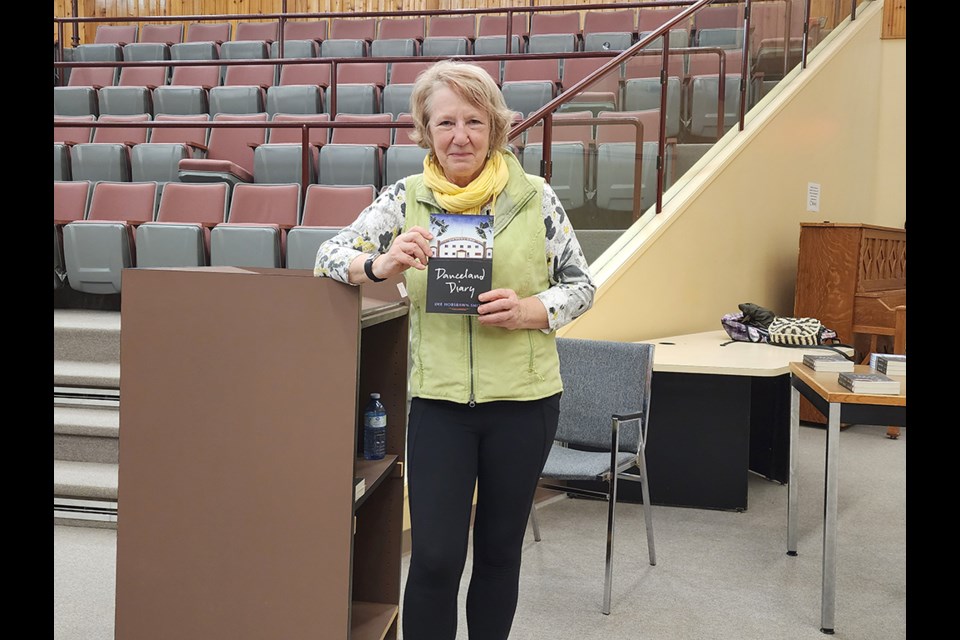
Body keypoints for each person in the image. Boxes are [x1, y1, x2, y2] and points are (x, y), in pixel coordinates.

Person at [314, 60, 595, 640]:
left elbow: (581, 285)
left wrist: (530, 310)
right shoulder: (404, 199)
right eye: (445, 123)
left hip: (523, 402)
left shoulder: (535, 198)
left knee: (497, 554)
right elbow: (327, 255)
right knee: (437, 557)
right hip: (439, 404)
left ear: (494, 126)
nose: (459, 136)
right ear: (425, 129)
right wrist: (380, 263)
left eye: (473, 121)